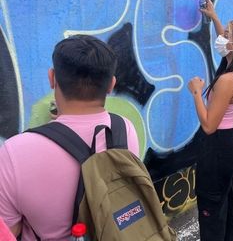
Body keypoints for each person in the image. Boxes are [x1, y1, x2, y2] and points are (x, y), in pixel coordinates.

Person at [0, 35, 140, 240]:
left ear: (52, 78)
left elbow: (8, 233)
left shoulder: (13, 153)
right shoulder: (124, 129)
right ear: (111, 85)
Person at [188, 0, 233, 241]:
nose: (222, 37)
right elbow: (228, 45)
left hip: (219, 149)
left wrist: (196, 92)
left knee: (212, 210)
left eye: (227, 34)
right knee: (231, 207)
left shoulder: (227, 79)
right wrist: (215, 18)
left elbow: (208, 126)